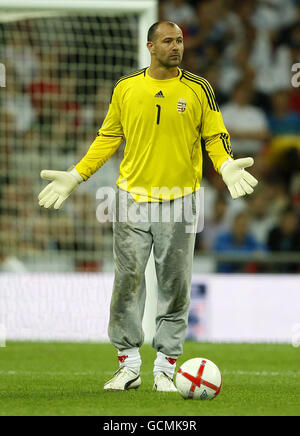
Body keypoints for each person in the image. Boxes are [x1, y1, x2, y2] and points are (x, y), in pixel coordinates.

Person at [38, 21, 258, 392]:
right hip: (131, 201)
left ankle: (166, 368)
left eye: (180, 41)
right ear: (150, 46)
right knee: (127, 281)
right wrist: (76, 176)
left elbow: (214, 136)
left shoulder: (199, 88)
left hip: (180, 200)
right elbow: (108, 138)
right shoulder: (126, 88)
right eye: (168, 41)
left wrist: (224, 164)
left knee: (175, 286)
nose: (177, 47)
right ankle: (129, 365)